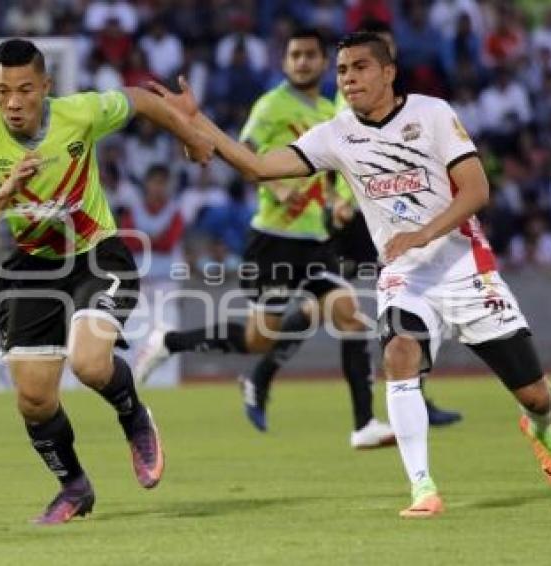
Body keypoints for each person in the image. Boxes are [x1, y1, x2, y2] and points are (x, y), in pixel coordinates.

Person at [148, 31, 551, 518]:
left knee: (535, 395)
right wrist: (196, 120)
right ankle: (423, 487)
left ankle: (539, 429)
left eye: (359, 68)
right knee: (397, 353)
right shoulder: (336, 133)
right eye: (342, 71)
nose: (348, 79)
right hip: (406, 278)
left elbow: (477, 191)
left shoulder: (432, 114)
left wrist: (422, 233)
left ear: (388, 72)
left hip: (464, 270)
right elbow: (259, 167)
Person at [0, 39, 212, 525]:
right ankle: (74, 487)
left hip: (96, 253)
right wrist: (6, 190)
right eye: (2, 91)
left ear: (46, 88)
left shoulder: (80, 113)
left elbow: (139, 100)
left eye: (25, 90)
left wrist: (189, 132)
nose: (12, 102)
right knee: (33, 400)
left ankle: (134, 417)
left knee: (91, 363)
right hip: (32, 264)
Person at [135, 28, 395, 449]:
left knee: (348, 314)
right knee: (260, 339)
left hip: (314, 239)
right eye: (295, 55)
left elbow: (333, 169)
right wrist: (276, 188)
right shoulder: (272, 105)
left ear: (322, 62)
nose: (303, 62)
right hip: (274, 239)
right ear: (284, 61)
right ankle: (170, 341)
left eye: (311, 55)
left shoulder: (331, 109)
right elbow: (246, 154)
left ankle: (364, 423)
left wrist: (338, 200)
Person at [331, 19, 464, 427]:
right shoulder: (350, 106)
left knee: (380, 311)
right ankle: (369, 413)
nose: (358, 73)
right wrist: (340, 198)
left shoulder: (416, 109)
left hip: (400, 217)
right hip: (360, 219)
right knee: (354, 311)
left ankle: (404, 397)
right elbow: (342, 154)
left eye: (384, 52)